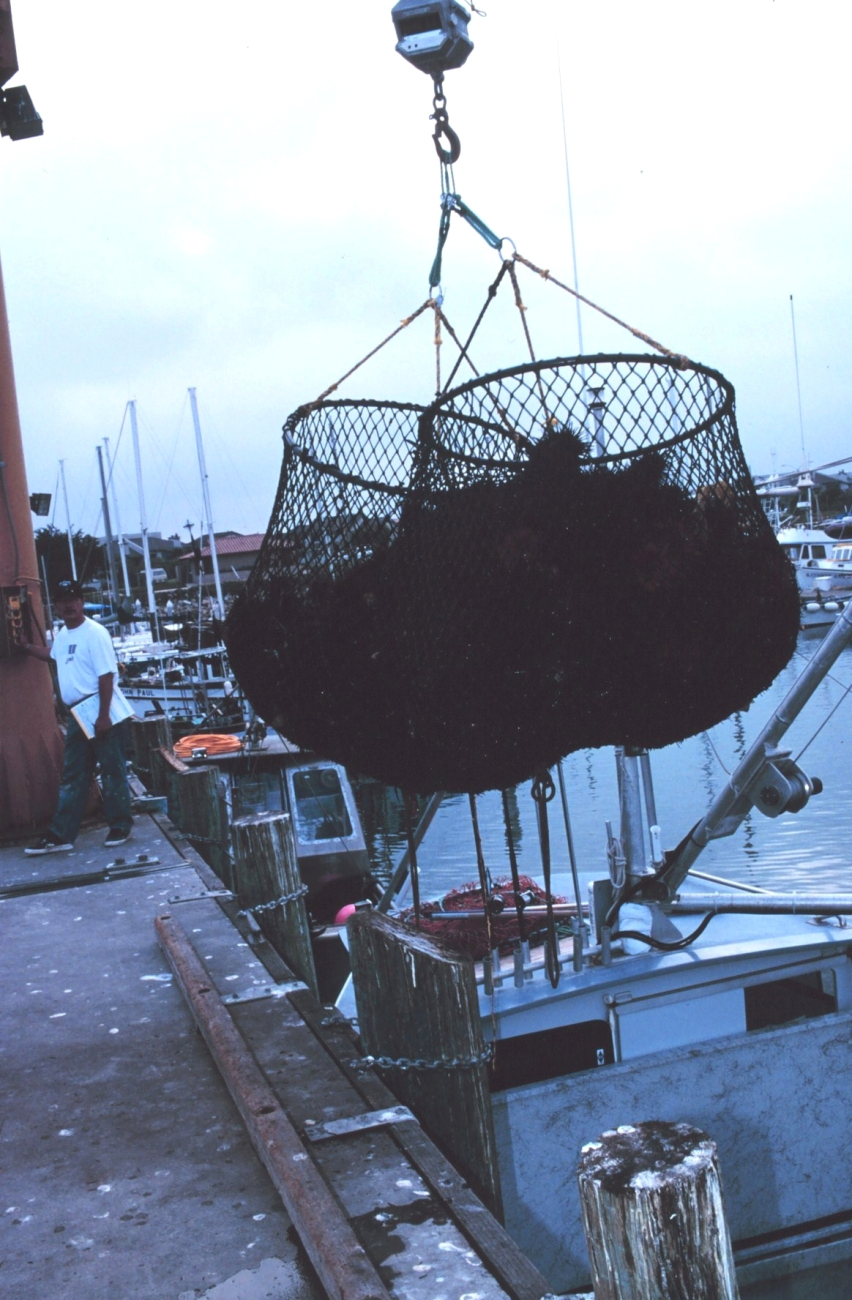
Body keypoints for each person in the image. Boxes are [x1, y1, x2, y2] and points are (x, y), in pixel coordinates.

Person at [23, 578, 133, 854]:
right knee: (73, 774)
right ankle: (62, 835)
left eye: (74, 598)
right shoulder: (63, 634)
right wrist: (26, 647)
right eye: (63, 600)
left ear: (82, 602)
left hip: (99, 709)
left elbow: (106, 675)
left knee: (112, 770)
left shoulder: (95, 633)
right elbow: (53, 655)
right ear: (56, 605)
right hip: (77, 715)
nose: (69, 604)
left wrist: (104, 716)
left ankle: (120, 825)